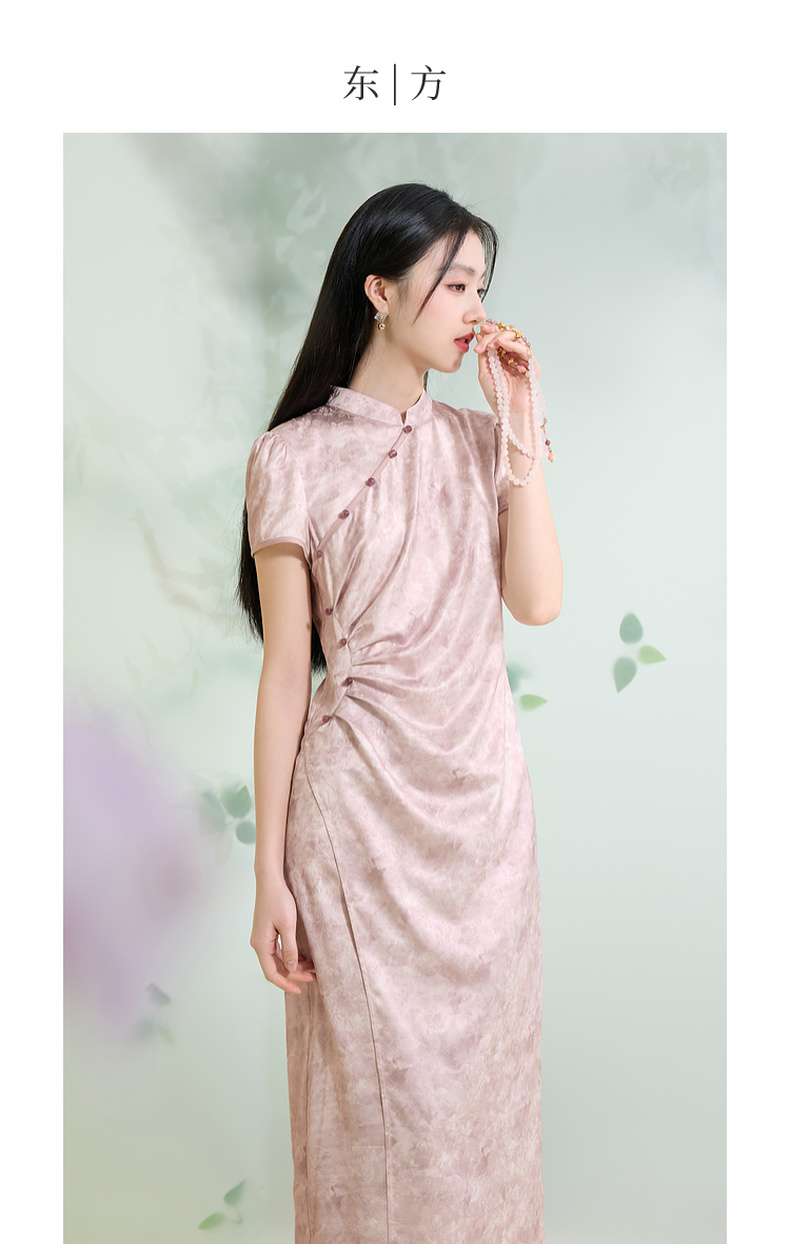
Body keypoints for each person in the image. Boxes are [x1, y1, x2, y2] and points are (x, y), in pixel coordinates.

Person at [237, 182, 562, 1244]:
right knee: (370, 1121)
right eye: (453, 283)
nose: (475, 308)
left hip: (483, 826)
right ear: (379, 290)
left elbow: (537, 602)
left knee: (485, 1119)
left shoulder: (481, 442)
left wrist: (519, 424)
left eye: (482, 287)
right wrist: (268, 872)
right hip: (358, 827)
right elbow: (286, 672)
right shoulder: (290, 456)